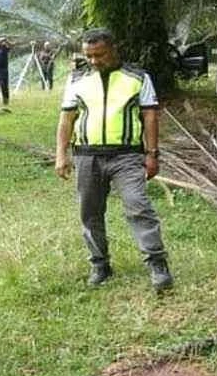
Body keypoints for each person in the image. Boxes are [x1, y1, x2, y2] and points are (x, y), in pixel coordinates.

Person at [54, 29, 173, 291]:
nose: (94, 61)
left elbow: (150, 116)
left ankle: (157, 264)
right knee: (90, 212)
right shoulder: (77, 79)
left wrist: (152, 154)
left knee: (138, 206)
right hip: (87, 155)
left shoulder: (138, 78)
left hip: (127, 155)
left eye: (100, 55)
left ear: (113, 49)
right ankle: (100, 264)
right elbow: (67, 119)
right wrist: (62, 154)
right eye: (89, 55)